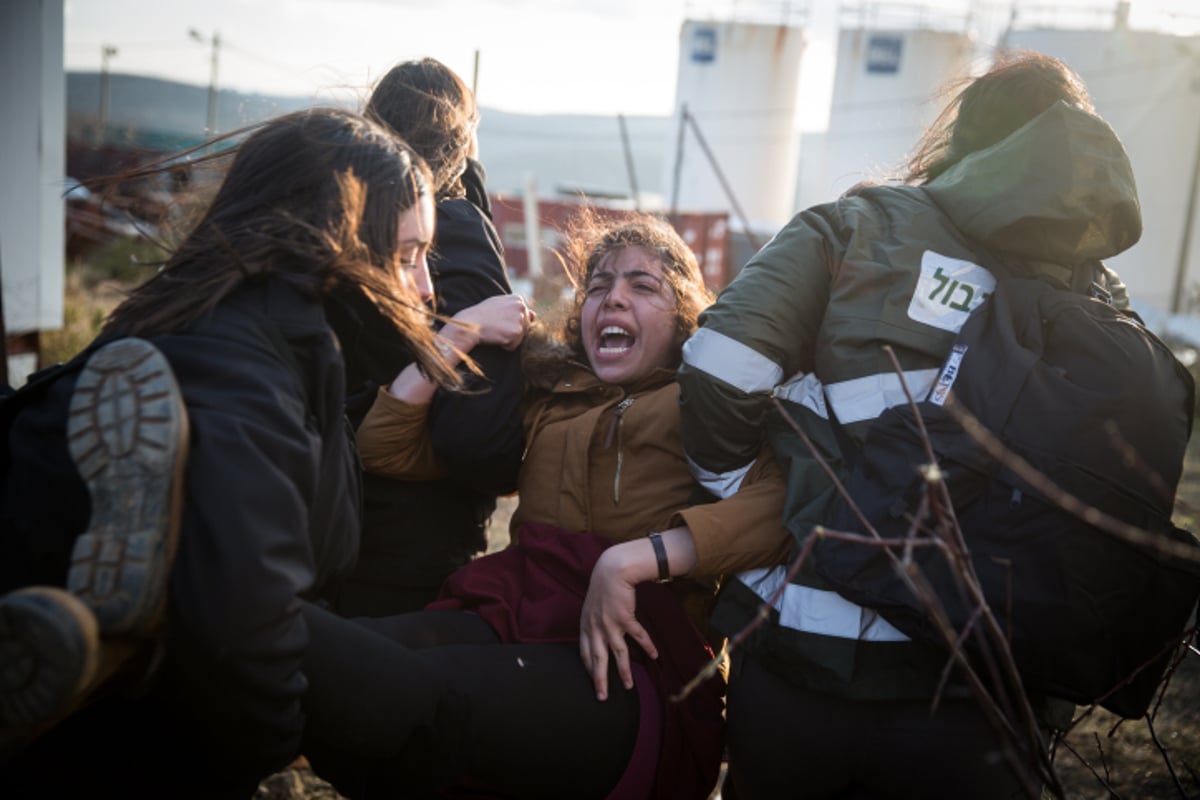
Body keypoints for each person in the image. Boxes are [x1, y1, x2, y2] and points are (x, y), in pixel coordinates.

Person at [676, 51, 1138, 799]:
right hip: (988, 688)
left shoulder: (858, 227)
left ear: (963, 137)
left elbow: (721, 366)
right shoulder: (1101, 295)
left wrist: (748, 486)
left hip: (805, 659)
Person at [0, 107, 482, 798]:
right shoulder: (241, 368)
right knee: (424, 717)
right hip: (113, 681)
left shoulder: (279, 337)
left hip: (170, 639)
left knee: (416, 695)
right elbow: (245, 635)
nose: (428, 288)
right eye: (406, 257)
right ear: (330, 241)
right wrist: (260, 761)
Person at [312, 213, 794, 799]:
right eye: (597, 286)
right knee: (335, 668)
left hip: (630, 668)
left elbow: (779, 507)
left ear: (685, 316)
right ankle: (243, 632)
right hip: (519, 621)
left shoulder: (704, 406)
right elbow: (384, 449)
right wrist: (455, 334)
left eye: (643, 287)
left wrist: (633, 561)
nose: (613, 297)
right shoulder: (550, 399)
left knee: (406, 691)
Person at [325, 57, 525, 615]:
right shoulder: (452, 225)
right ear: (463, 141)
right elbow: (481, 438)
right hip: (415, 548)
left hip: (329, 527)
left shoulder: (343, 217)